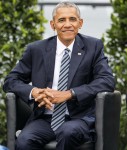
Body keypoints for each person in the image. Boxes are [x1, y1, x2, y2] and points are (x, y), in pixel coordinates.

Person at [3, 1, 115, 150]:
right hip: (45, 118)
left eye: (72, 19)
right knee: (24, 140)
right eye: (61, 20)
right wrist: (34, 92)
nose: (67, 24)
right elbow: (11, 80)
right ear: (53, 24)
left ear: (80, 23)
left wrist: (69, 94)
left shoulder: (93, 47)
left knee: (67, 132)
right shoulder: (36, 49)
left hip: (79, 118)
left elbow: (107, 81)